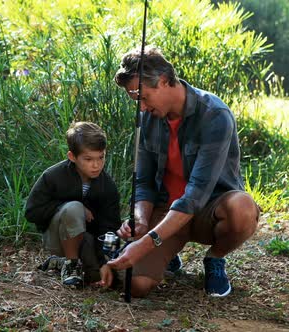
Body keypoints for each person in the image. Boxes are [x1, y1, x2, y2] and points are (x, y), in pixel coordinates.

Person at [108, 47, 260, 297]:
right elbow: (144, 181)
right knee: (134, 285)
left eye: (144, 98)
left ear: (165, 81)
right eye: (137, 101)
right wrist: (142, 221)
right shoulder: (149, 118)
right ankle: (169, 252)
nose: (142, 108)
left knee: (242, 208)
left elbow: (195, 196)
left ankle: (215, 258)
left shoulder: (215, 115)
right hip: (165, 209)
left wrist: (146, 243)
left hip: (206, 209)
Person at [25, 121, 121, 287]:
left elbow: (108, 227)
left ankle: (60, 263)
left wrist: (105, 261)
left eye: (101, 157)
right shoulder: (53, 176)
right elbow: (32, 212)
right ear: (72, 157)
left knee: (100, 277)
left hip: (87, 238)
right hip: (57, 237)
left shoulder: (107, 185)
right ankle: (71, 264)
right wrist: (71, 206)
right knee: (74, 208)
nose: (96, 165)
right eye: (88, 159)